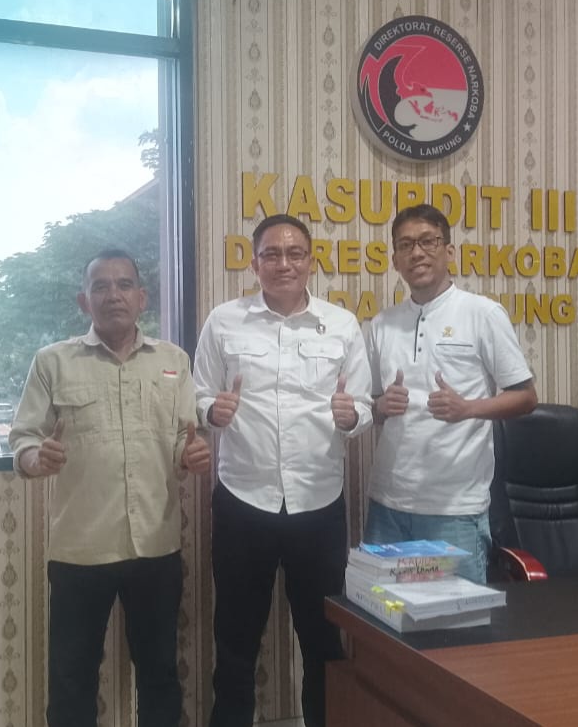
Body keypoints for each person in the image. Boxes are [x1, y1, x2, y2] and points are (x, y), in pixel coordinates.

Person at [9, 249, 210, 727]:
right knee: (72, 679)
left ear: (142, 297)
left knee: (160, 674)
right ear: (84, 300)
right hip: (81, 549)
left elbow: (183, 439)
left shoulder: (173, 361)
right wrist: (37, 458)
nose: (113, 295)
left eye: (123, 285)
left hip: (156, 546)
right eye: (100, 286)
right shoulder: (52, 362)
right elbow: (23, 439)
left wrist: (190, 456)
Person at [193, 214, 372, 727]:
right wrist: (211, 411)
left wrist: (352, 416)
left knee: (322, 639)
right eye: (271, 254)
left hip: (318, 503)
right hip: (242, 501)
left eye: (295, 253)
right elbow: (198, 393)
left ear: (311, 261)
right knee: (235, 640)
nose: (283, 263)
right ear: (254, 264)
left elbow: (363, 404)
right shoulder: (224, 321)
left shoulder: (341, 324)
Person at [364, 204, 537, 583]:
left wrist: (467, 408)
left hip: (454, 508)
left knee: (455, 617)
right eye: (406, 245)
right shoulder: (381, 325)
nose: (417, 253)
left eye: (428, 241)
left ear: (449, 251)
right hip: (387, 504)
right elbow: (371, 408)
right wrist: (380, 406)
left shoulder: (482, 314)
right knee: (382, 612)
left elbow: (526, 397)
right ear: (395, 260)